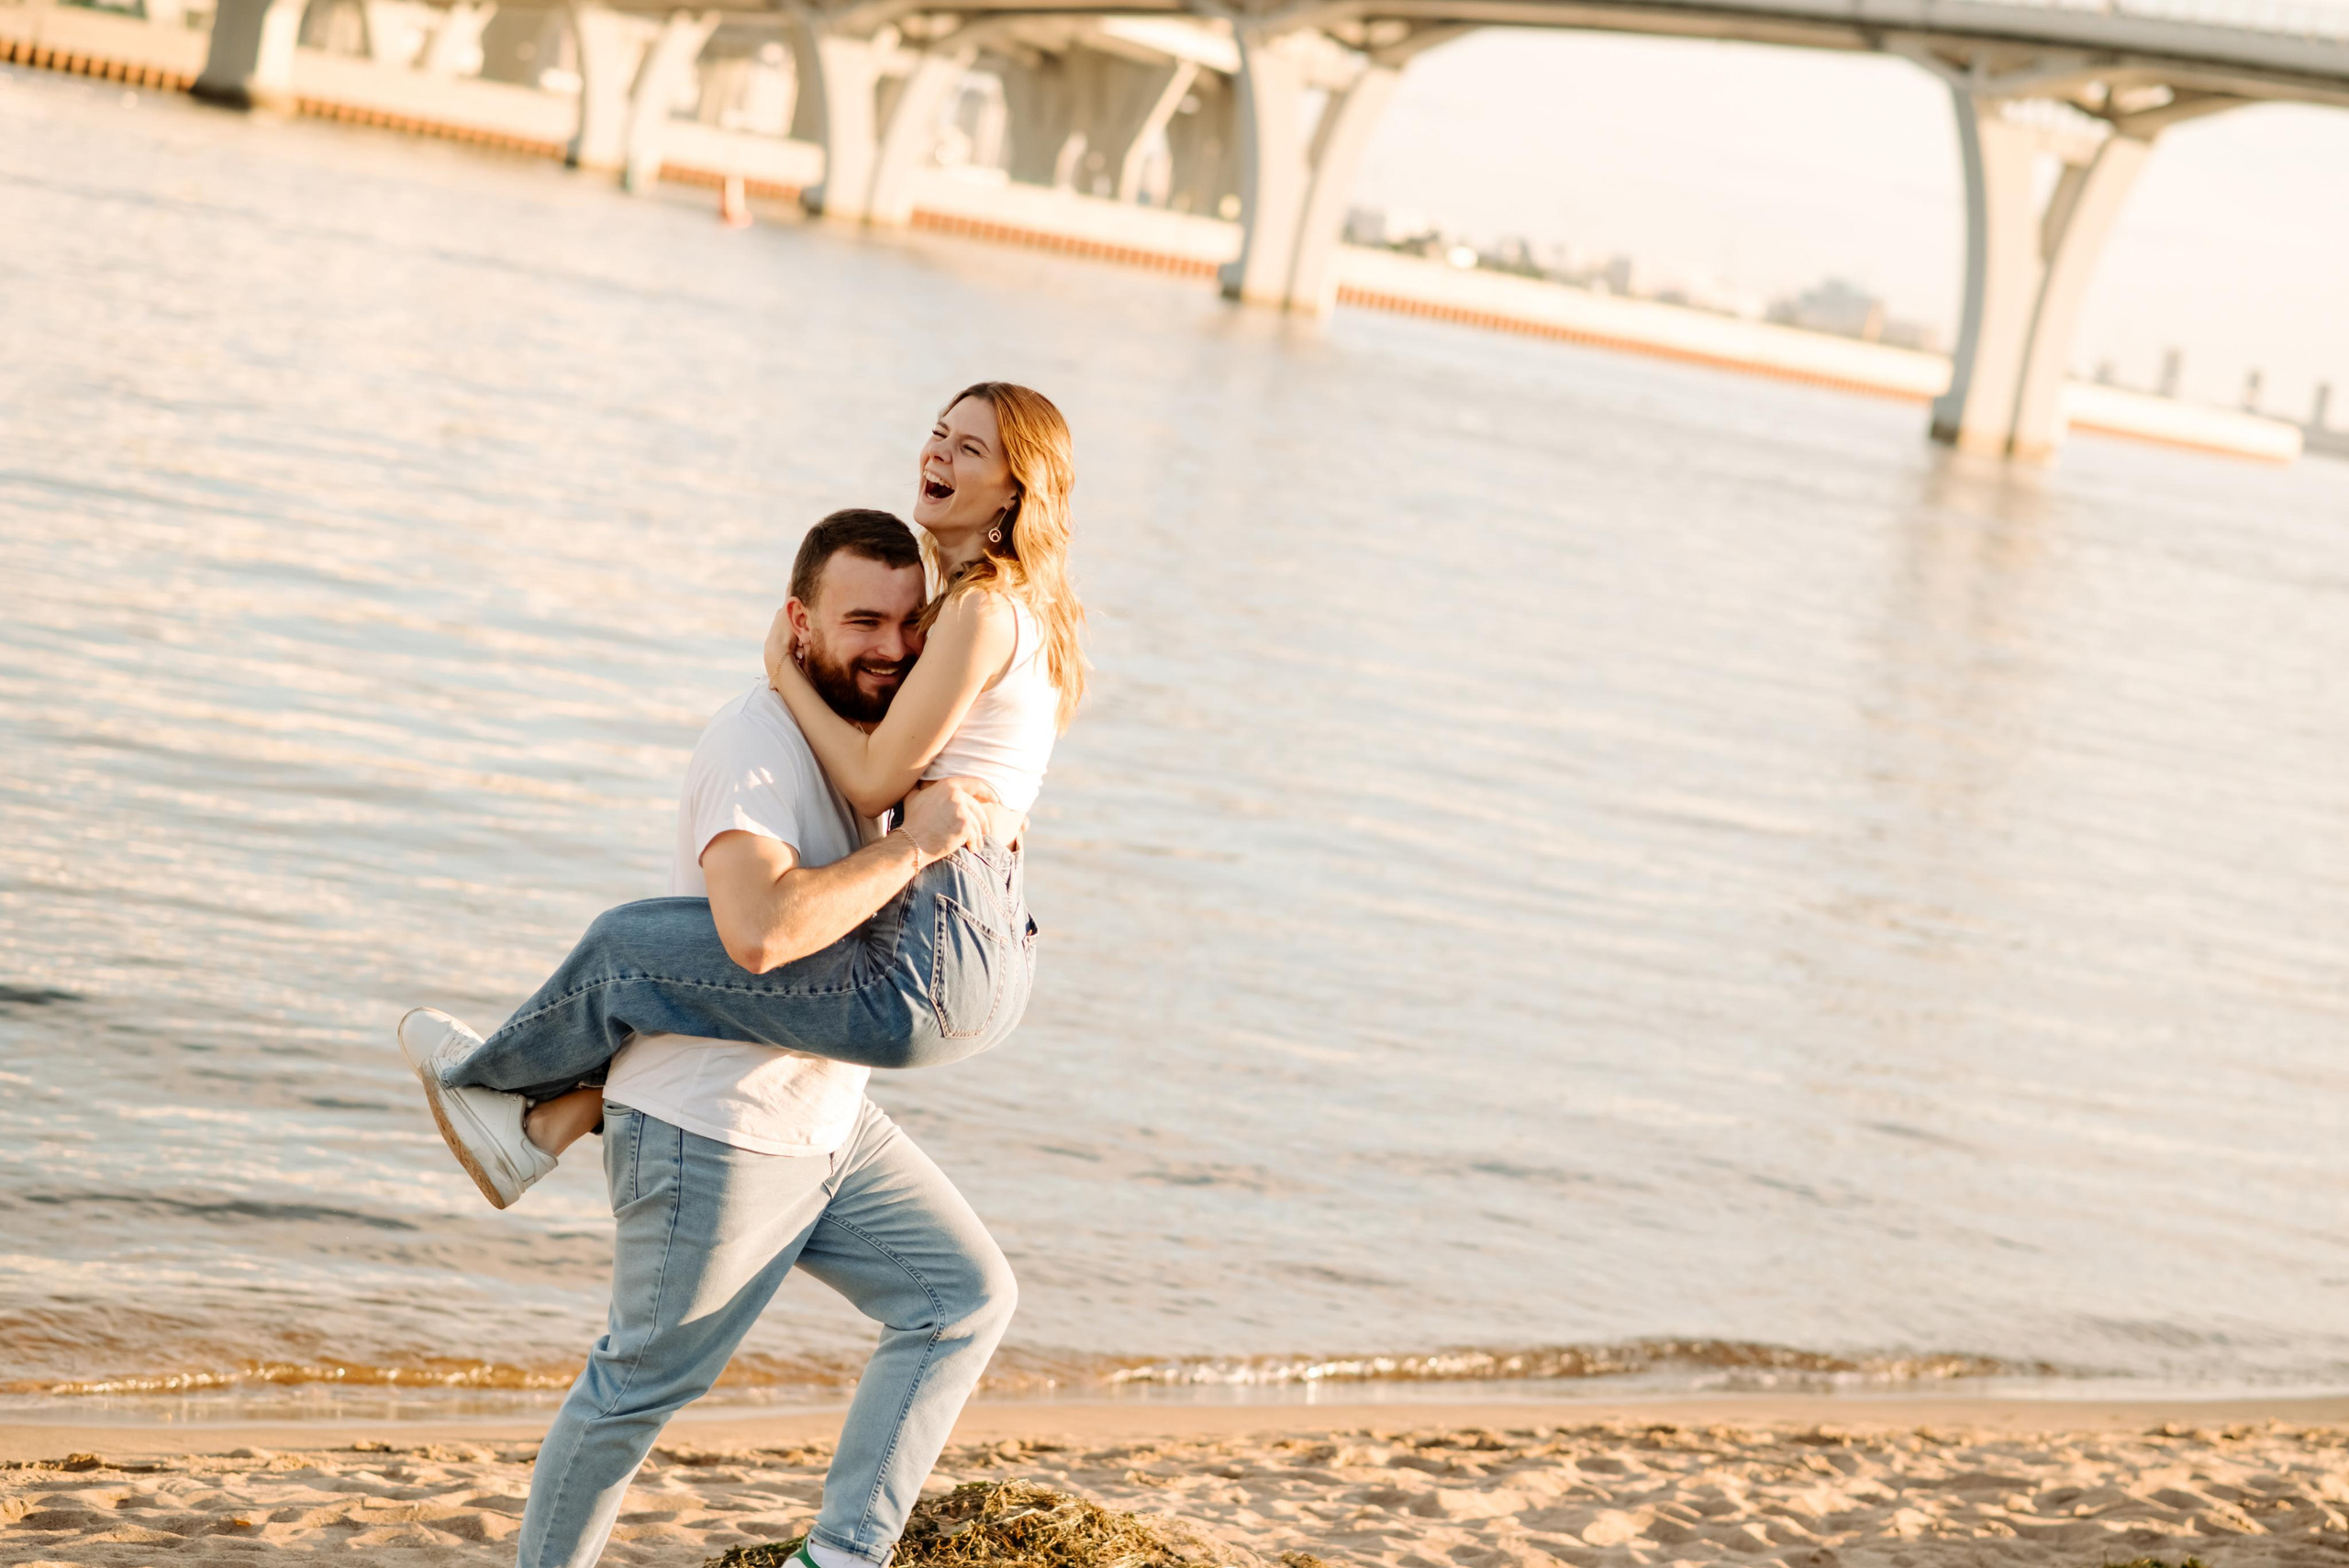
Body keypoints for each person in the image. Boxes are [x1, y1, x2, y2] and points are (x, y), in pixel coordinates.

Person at [406, 507, 1025, 1568]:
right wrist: (913, 848)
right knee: (636, 1387)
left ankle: (840, 1554)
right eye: (861, 620)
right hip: (717, 1129)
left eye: (909, 623)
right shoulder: (757, 741)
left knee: (962, 1297)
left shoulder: (873, 751)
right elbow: (760, 930)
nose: (890, 647)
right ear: (798, 622)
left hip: (829, 1120)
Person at [398, 381, 1083, 1210]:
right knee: (691, 971)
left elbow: (873, 777)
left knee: (630, 947)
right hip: (990, 949)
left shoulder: (979, 611)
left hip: (936, 950)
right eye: (938, 433)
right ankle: (547, 1127)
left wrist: (785, 672)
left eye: (969, 448)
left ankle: (484, 1088)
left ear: (1018, 490)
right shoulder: (1021, 609)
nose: (937, 452)